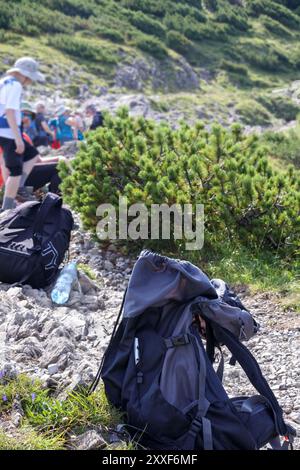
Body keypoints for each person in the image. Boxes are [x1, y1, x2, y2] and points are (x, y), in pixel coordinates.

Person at [0, 56, 44, 211]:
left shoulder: (3, 82)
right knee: (15, 170)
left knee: (31, 153)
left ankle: (18, 189)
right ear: (25, 75)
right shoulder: (15, 85)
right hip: (8, 131)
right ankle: (7, 207)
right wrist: (18, 138)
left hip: (2, 131)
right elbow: (10, 111)